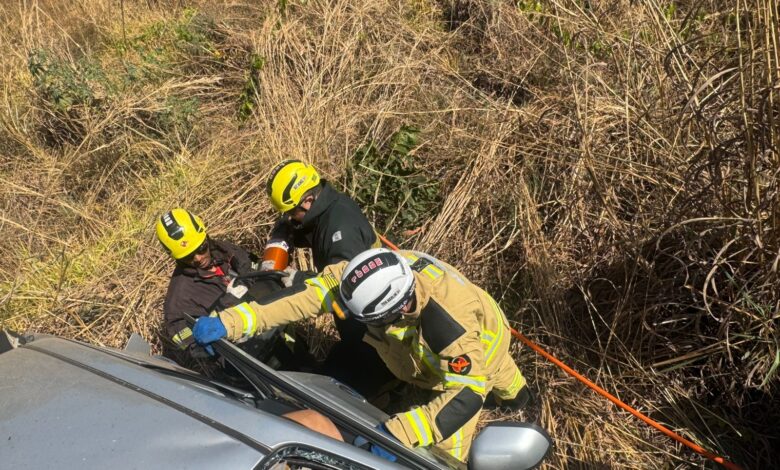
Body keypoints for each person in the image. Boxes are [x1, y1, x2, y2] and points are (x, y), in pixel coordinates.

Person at [191, 248, 531, 462]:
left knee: (446, 453)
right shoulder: (365, 274)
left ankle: (521, 399)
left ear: (396, 310)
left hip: (483, 347)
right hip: (433, 350)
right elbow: (304, 298)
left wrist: (402, 434)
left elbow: (467, 391)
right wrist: (231, 321)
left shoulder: (448, 324)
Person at [262, 160, 394, 398]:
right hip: (357, 324)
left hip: (375, 327)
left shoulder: (341, 227)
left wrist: (299, 278)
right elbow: (309, 230)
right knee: (330, 374)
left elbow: (348, 283)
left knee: (342, 395)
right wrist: (284, 232)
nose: (292, 218)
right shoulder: (328, 207)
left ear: (308, 201)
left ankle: (387, 393)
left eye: (293, 213)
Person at [156, 208, 259, 358]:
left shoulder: (222, 249)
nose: (198, 258)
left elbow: (250, 265)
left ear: (206, 237)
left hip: (271, 322)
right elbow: (190, 344)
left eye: (201, 248)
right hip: (248, 356)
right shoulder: (179, 301)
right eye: (188, 256)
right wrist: (227, 304)